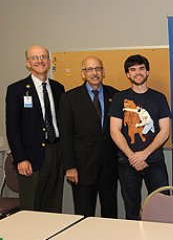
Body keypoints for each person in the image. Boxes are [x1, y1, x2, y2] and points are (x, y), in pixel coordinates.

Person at [109, 54, 171, 220]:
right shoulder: (119, 98)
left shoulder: (159, 98)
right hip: (127, 163)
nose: (138, 72)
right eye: (133, 69)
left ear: (147, 71)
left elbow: (165, 130)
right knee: (131, 210)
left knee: (162, 207)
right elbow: (114, 131)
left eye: (141, 68)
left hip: (155, 160)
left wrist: (144, 154)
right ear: (128, 74)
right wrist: (133, 157)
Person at [5, 45, 65, 212]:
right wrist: (20, 158)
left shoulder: (58, 88)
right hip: (30, 157)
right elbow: (12, 128)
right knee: (31, 207)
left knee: (54, 206)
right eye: (35, 57)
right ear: (27, 63)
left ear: (49, 60)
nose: (40, 61)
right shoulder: (16, 90)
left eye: (43, 57)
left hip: (56, 152)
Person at [59, 56, 119, 218]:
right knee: (84, 214)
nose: (94, 73)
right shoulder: (69, 98)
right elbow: (66, 135)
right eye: (89, 69)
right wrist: (70, 166)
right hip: (81, 168)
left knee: (110, 213)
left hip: (109, 167)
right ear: (82, 73)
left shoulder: (115, 95)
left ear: (104, 72)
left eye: (98, 68)